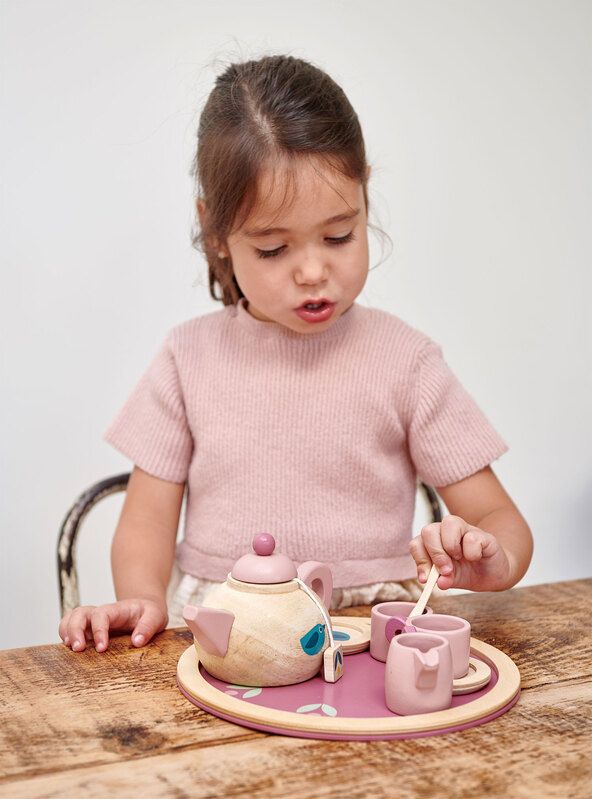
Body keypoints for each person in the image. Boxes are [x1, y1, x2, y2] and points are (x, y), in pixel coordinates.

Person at [59, 54, 533, 653]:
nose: (313, 271)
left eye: (339, 236)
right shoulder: (186, 359)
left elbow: (500, 520)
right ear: (216, 234)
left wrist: (493, 558)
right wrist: (143, 598)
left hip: (370, 637)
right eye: (273, 248)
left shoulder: (405, 362)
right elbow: (147, 521)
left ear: (365, 200)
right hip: (226, 638)